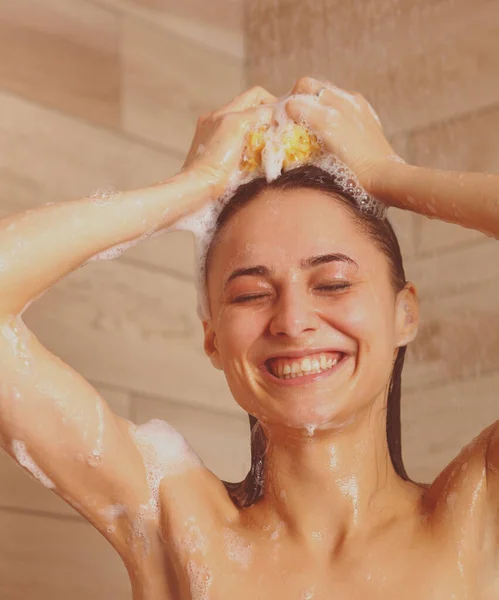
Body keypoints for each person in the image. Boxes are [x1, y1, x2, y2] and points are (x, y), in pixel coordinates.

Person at [0, 77, 497, 599]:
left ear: (405, 314)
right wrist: (193, 187)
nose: (293, 319)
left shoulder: (478, 516)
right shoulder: (177, 527)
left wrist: (389, 175)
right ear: (213, 340)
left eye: (332, 283)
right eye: (251, 295)